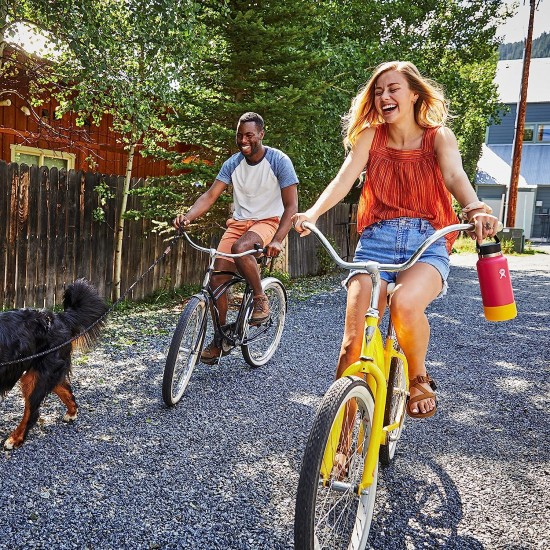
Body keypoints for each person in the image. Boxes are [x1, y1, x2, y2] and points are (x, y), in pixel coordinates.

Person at [292, 61, 498, 421]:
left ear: (415, 94)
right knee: (351, 347)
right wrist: (312, 213)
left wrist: (475, 208)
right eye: (378, 91)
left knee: (403, 303)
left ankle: (418, 377)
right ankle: (342, 442)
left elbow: (454, 175)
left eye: (393, 89)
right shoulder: (371, 136)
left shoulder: (439, 137)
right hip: (375, 242)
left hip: (427, 241)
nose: (384, 96)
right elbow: (343, 180)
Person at [174, 112, 298, 364]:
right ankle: (221, 339)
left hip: (268, 222)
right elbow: (210, 196)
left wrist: (278, 239)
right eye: (240, 135)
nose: (243, 140)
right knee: (216, 279)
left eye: (249, 135)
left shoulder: (278, 161)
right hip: (239, 223)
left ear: (261, 134)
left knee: (241, 248)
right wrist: (187, 217)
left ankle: (260, 299)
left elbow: (291, 205)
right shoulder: (232, 163)